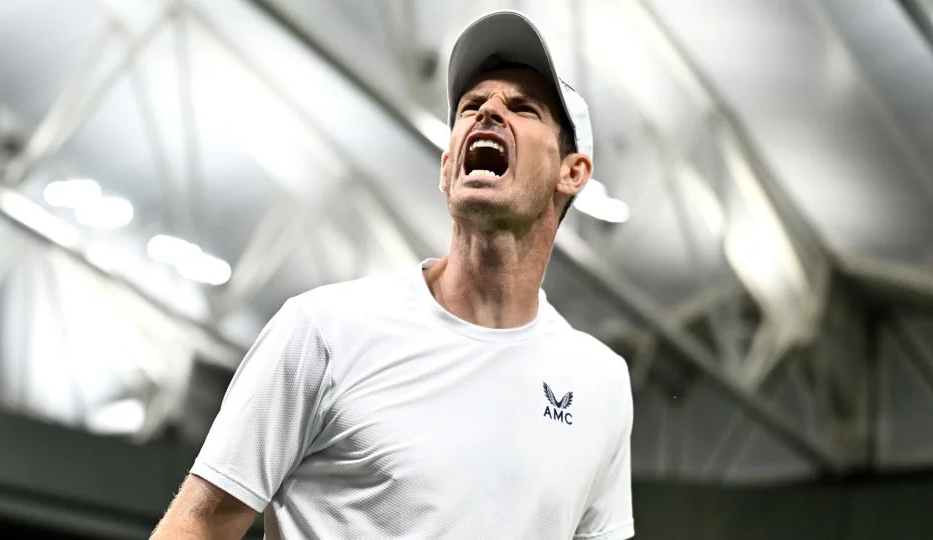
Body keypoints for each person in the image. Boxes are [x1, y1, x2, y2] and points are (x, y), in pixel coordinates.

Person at [151, 9, 633, 540]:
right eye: (471, 105)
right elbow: (198, 525)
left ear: (572, 171)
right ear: (447, 168)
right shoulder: (323, 330)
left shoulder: (601, 384)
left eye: (523, 107)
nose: (489, 110)